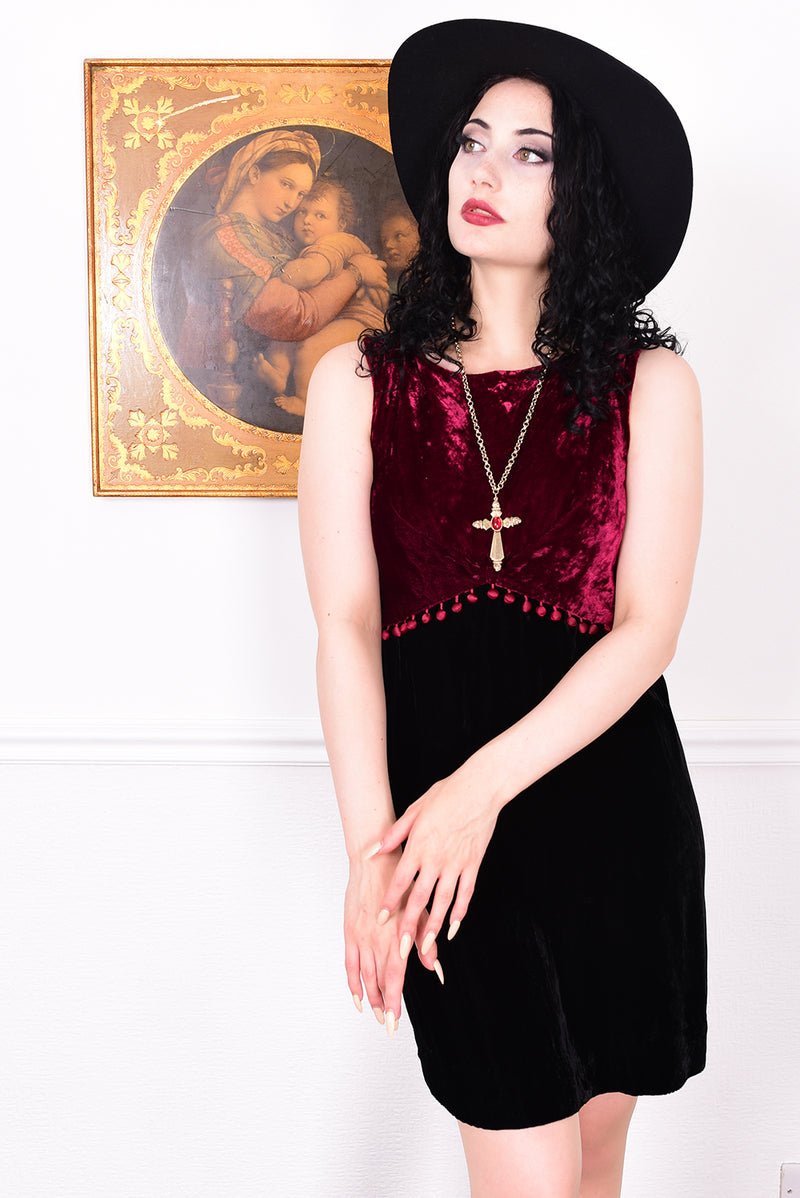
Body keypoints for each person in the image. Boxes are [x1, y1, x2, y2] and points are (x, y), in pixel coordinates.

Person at [298, 19, 706, 1198]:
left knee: (589, 1157)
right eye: (474, 142)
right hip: (436, 843)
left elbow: (647, 631)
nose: (482, 171)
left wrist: (477, 791)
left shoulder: (652, 385)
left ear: (582, 188)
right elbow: (341, 622)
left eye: (530, 152)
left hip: (609, 811)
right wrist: (376, 853)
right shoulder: (358, 381)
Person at [176, 129, 384, 432]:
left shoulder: (275, 235)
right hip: (242, 400)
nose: (291, 203)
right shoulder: (224, 237)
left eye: (299, 194)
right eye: (286, 185)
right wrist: (356, 272)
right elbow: (295, 317)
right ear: (254, 173)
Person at [253, 179, 389, 417]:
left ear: (341, 224)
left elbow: (307, 273)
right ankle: (279, 372)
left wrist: (284, 273)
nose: (307, 220)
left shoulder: (336, 242)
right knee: (287, 330)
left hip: (360, 320)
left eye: (320, 216)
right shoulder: (311, 245)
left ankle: (306, 400)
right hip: (330, 315)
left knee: (310, 346)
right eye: (302, 212)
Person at [378, 198, 420, 291]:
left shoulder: (439, 281)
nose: (388, 245)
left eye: (398, 236)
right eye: (384, 240)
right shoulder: (385, 291)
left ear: (419, 236)